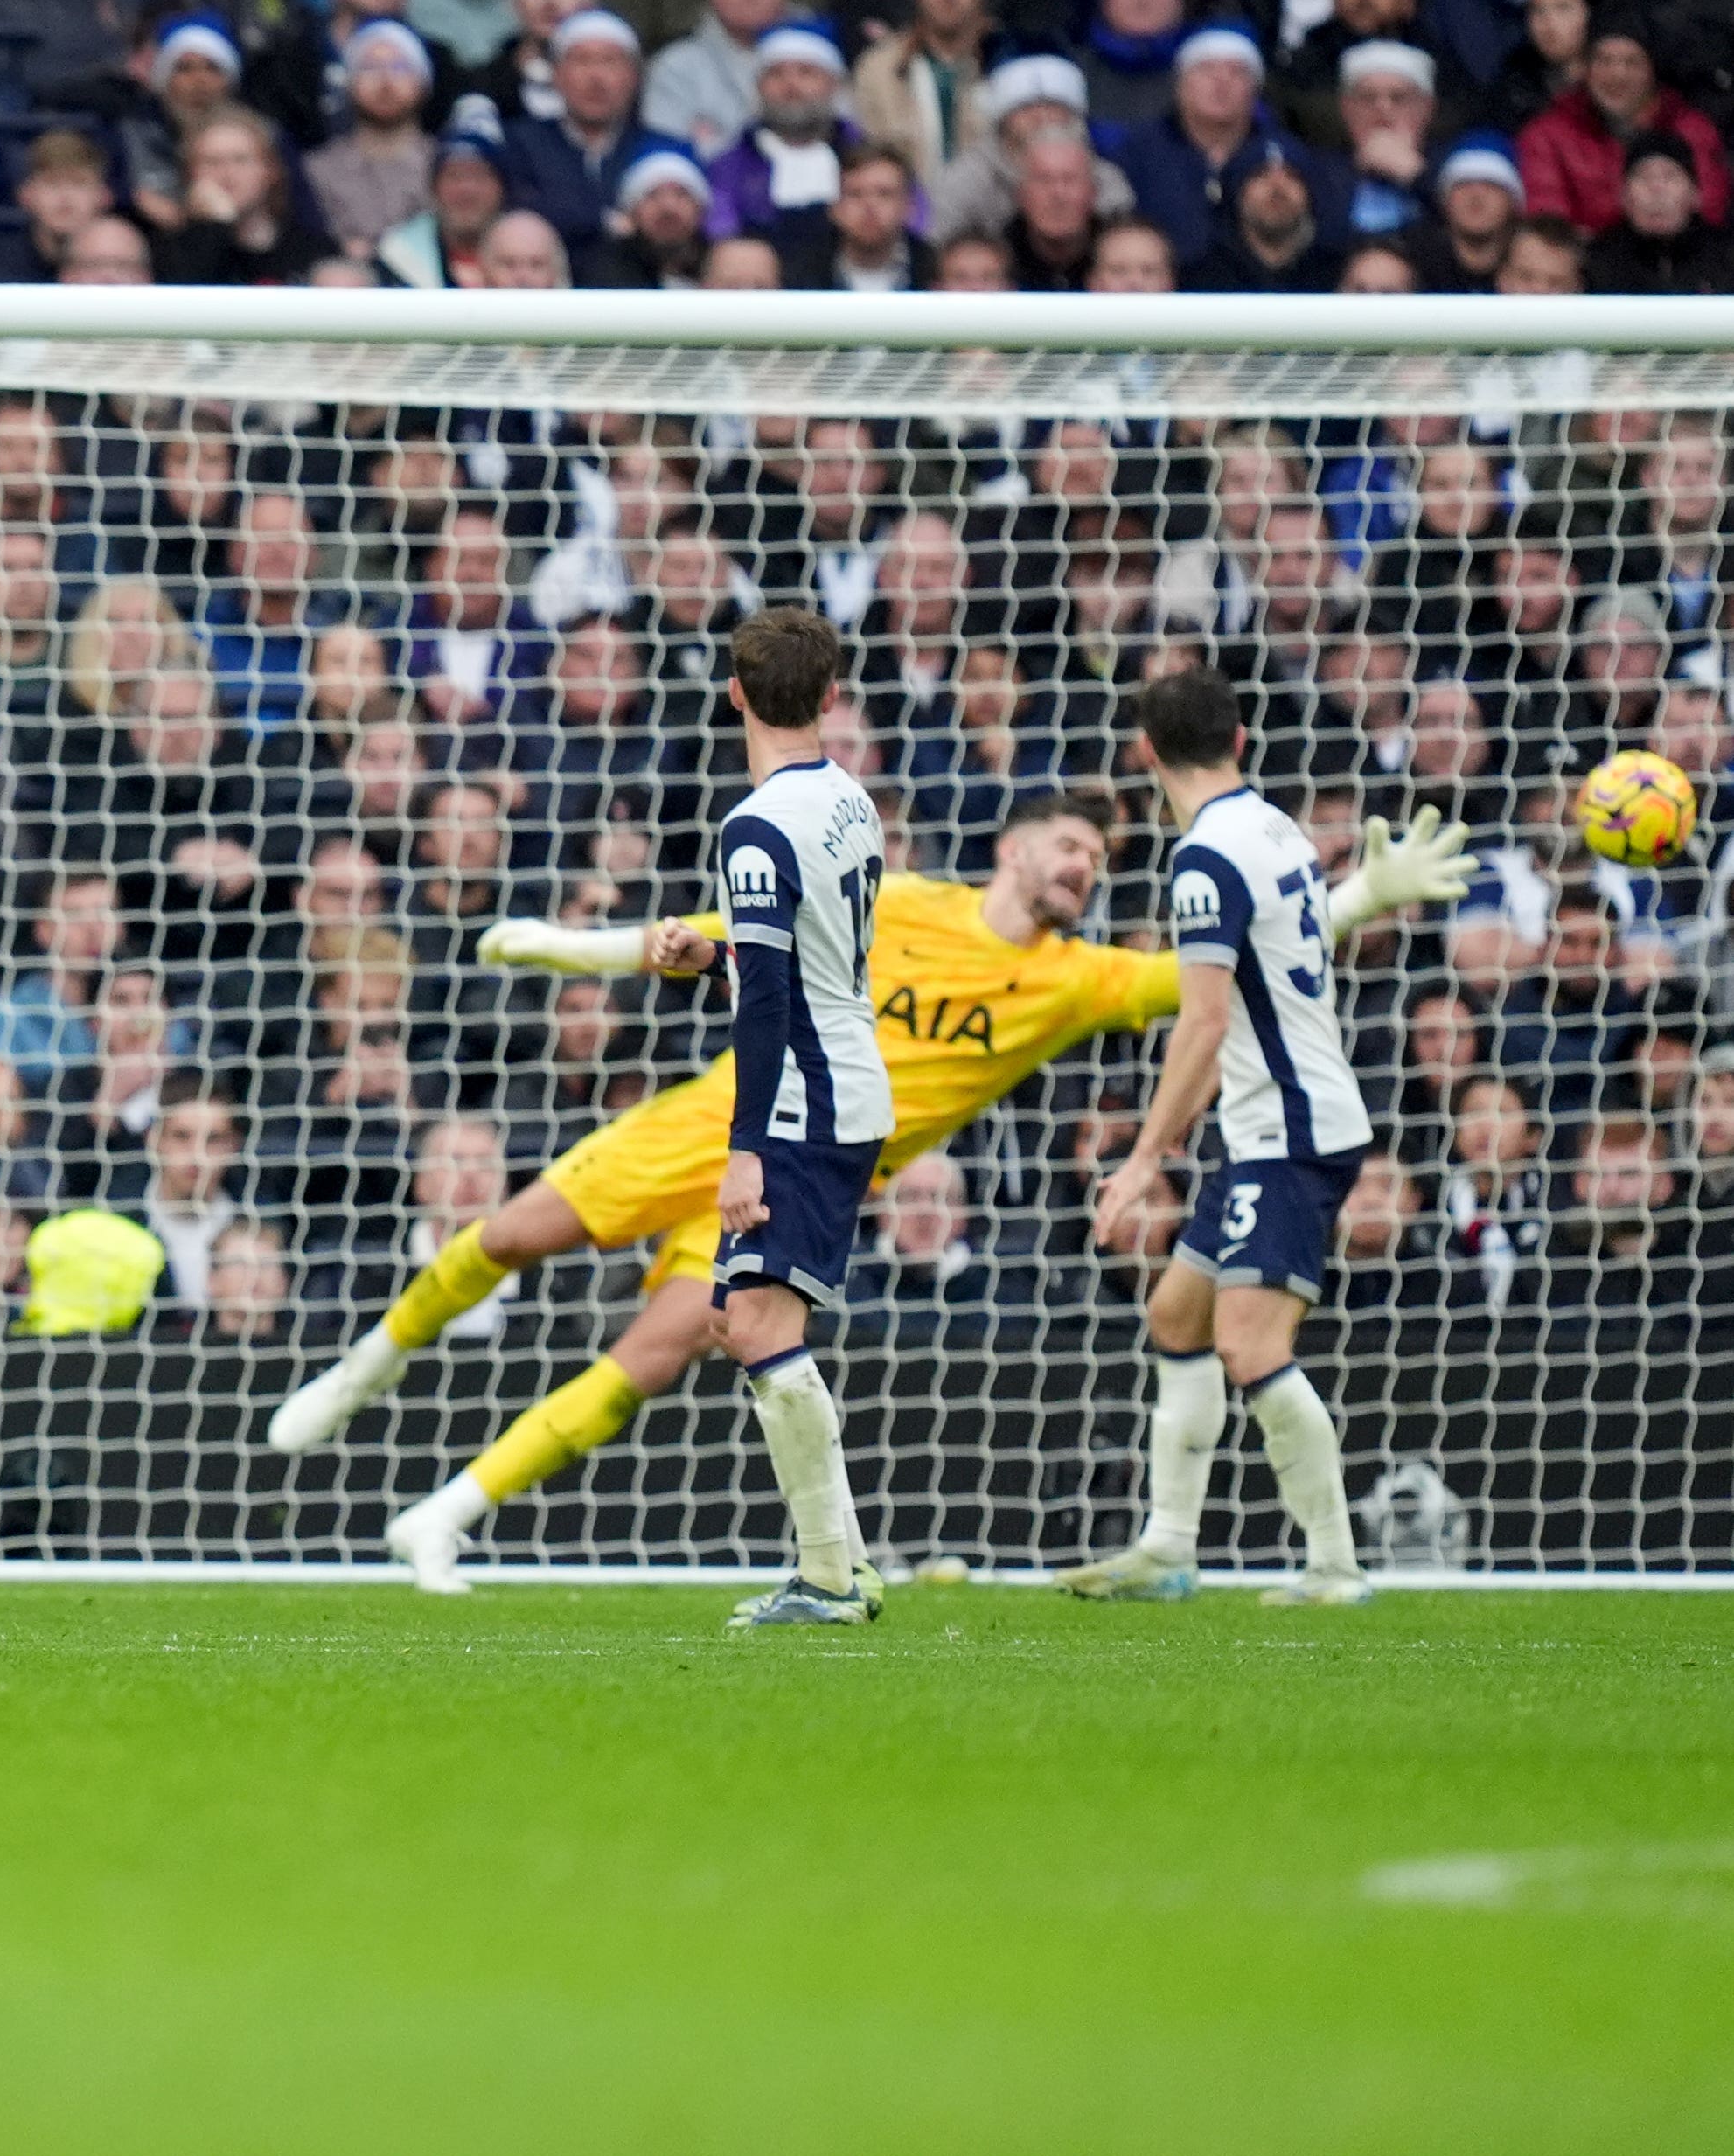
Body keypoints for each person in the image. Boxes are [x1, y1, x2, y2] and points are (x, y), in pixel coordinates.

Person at [283, 790, 1476, 1585]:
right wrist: (560, 945)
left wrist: (1363, 898)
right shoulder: (900, 903)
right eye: (1070, 845)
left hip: (801, 1173)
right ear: (1015, 848)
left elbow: (1204, 975)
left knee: (655, 1354)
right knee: (504, 1237)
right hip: (709, 1120)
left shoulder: (1078, 982)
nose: (1085, 866)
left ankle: (445, 1514)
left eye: (1101, 861)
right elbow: (715, 934)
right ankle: (366, 1364)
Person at [1065, 669, 1387, 1610]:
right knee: (1178, 1315)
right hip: (1273, 1125)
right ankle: (1168, 1549)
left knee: (1249, 1346)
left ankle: (1334, 1565)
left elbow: (1201, 1022)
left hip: (1287, 1131)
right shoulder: (1274, 826)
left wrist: (1139, 1160)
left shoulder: (1205, 859)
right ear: (1241, 739)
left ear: (1146, 754)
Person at [702, 607, 895, 1627]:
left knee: (759, 1322)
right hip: (847, 1075)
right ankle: (843, 1564)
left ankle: (828, 1576)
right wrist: (717, 951)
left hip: (801, 1098)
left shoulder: (754, 826)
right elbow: (815, 945)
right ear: (830, 695)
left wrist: (745, 1152)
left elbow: (774, 996)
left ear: (734, 693)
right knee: (740, 1318)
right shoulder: (849, 801)